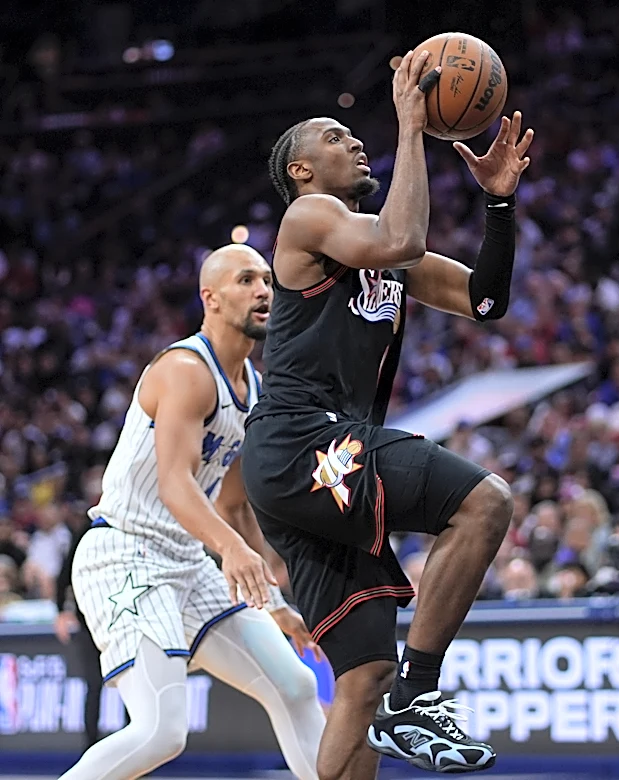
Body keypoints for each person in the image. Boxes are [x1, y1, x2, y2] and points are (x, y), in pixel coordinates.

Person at [241, 50, 533, 777]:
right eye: (334, 137)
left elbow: (486, 300)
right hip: (303, 442)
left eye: (352, 133)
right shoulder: (309, 216)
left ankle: (394, 696)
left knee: (363, 678)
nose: (353, 141)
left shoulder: (380, 243)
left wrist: (499, 204)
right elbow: (401, 238)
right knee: (485, 502)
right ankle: (419, 694)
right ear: (301, 170)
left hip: (316, 463)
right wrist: (411, 125)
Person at [59, 245, 326, 780]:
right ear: (211, 298)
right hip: (125, 554)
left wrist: (273, 602)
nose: (264, 291)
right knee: (160, 731)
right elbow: (175, 484)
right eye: (246, 280)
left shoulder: (253, 390)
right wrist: (232, 548)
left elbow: (232, 503)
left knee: (295, 687)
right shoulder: (185, 369)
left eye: (268, 280)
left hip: (186, 560)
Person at [55, 514, 104, 750]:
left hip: (122, 621)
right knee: (94, 685)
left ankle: (136, 749)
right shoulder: (88, 528)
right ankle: (91, 748)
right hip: (89, 622)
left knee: (131, 686)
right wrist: (60, 611)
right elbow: (64, 576)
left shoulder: (131, 526)